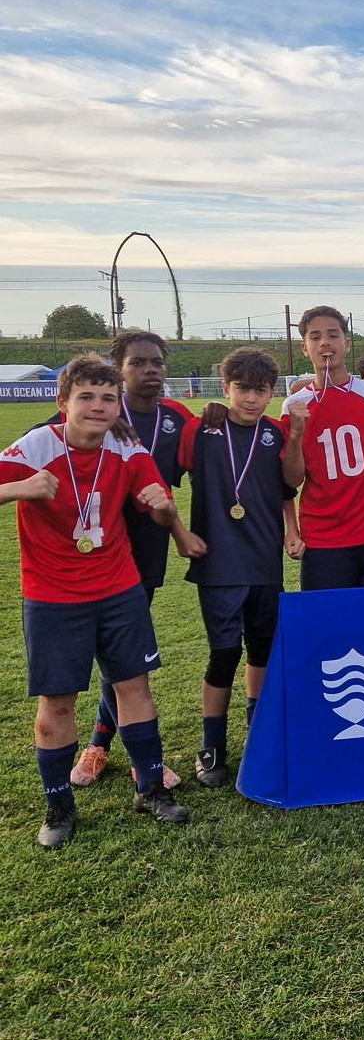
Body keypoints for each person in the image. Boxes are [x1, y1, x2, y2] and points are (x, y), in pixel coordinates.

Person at [0, 354, 188, 849]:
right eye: (87, 397)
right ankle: (59, 806)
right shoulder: (37, 445)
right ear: (63, 402)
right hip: (53, 595)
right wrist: (20, 487)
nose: (98, 407)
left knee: (134, 685)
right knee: (58, 701)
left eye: (108, 398)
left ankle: (150, 789)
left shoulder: (125, 445)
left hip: (118, 587)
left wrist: (162, 507)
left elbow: (159, 502)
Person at [69, 330, 196, 790]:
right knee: (117, 659)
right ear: (118, 370)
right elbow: (49, 439)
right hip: (91, 552)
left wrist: (216, 413)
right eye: (138, 363)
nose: (150, 370)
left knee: (123, 657)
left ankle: (107, 747)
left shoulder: (177, 418)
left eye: (156, 362)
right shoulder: (98, 411)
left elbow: (212, 453)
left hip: (144, 549)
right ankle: (107, 746)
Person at [177, 348, 299, 787]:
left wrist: (292, 529)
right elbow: (161, 475)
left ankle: (259, 733)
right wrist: (178, 532)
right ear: (226, 388)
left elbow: (288, 489)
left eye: (260, 390)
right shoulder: (202, 428)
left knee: (262, 649)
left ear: (271, 392)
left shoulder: (276, 432)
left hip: (264, 560)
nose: (251, 398)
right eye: (242, 389)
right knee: (224, 652)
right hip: (219, 562)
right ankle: (211, 745)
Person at [281, 305, 364, 590]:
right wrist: (296, 435)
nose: (325, 343)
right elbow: (291, 480)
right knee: (329, 616)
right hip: (321, 536)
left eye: (333, 335)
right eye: (315, 337)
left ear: (347, 343)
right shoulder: (294, 405)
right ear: (304, 348)